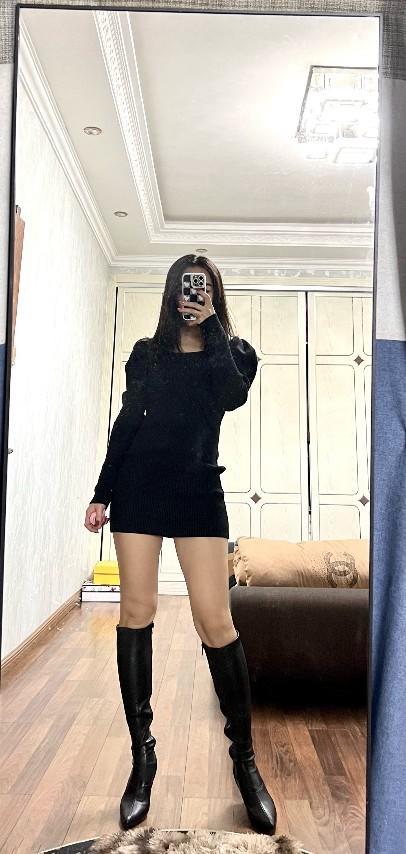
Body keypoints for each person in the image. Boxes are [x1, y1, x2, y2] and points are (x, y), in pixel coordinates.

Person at [84, 255, 277, 836]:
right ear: (172, 293)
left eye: (204, 287)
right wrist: (102, 492)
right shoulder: (146, 354)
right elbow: (127, 423)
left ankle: (245, 762)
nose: (193, 294)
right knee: (135, 612)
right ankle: (142, 760)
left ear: (214, 294)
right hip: (139, 490)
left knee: (216, 621)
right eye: (187, 287)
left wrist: (211, 325)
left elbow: (230, 396)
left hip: (198, 492)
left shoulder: (236, 353)